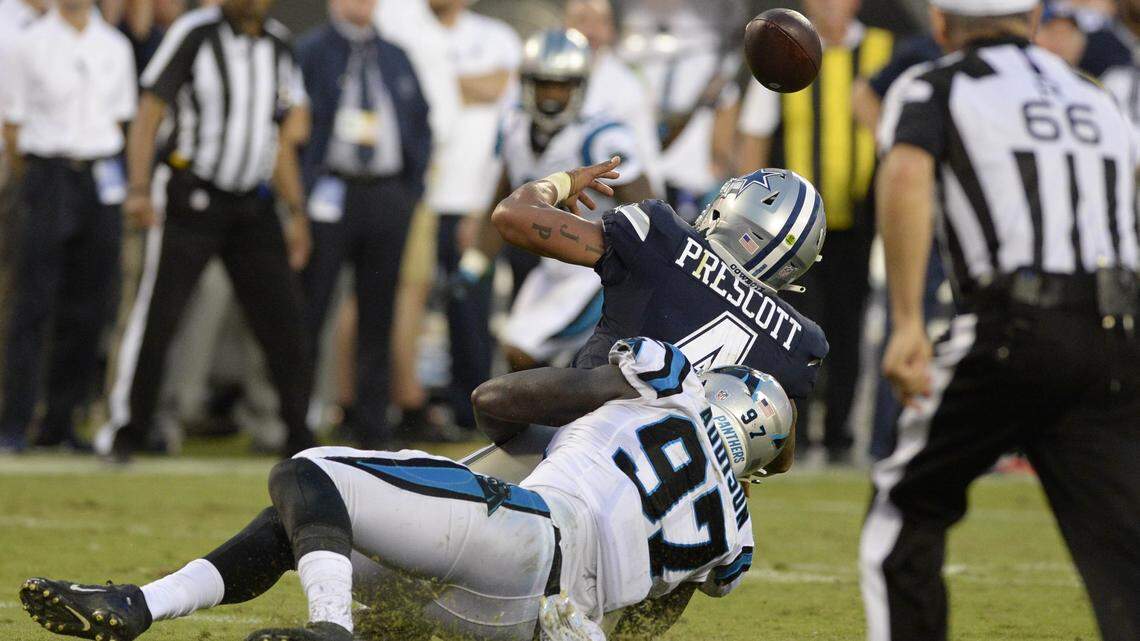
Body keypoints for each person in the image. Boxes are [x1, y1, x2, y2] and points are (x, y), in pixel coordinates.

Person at [18, 338, 786, 641]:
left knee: (309, 475)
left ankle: (329, 630)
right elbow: (645, 622)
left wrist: (589, 389)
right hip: (533, 625)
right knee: (308, 524)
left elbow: (498, 401)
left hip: (526, 536)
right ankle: (140, 603)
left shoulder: (670, 380)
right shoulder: (736, 540)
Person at [860, 2, 1140, 640]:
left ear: (941, 24)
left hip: (1015, 327)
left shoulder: (934, 84)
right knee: (1124, 542)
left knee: (906, 503)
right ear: (1033, 19)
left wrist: (907, 320)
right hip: (1116, 333)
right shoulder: (1092, 93)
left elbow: (906, 171)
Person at [96, 0, 316, 461]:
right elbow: (150, 110)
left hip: (252, 204)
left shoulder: (279, 45)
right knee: (158, 317)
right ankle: (127, 431)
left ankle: (301, 437)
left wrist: (295, 211)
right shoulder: (194, 33)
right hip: (190, 195)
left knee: (286, 322)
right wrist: (139, 187)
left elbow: (278, 140)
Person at [737, 0, 894, 464]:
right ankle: (794, 435)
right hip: (792, 227)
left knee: (849, 326)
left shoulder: (885, 52)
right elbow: (754, 135)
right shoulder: (784, 48)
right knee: (790, 328)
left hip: (860, 219)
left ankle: (841, 436)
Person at [464, 29, 654, 370]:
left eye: (561, 86)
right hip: (550, 268)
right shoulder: (514, 126)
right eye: (544, 84)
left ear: (579, 87)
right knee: (517, 361)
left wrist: (647, 275)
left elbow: (648, 208)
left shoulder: (601, 136)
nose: (551, 95)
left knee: (522, 350)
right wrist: (472, 266)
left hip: (593, 271)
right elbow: (502, 201)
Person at [0, 0, 137, 452]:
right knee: (31, 303)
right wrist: (39, 181)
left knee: (88, 306)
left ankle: (60, 424)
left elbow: (119, 120)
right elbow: (13, 127)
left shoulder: (115, 46)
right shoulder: (27, 45)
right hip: (48, 172)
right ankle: (15, 421)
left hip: (100, 177)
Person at [294, 0, 431, 449]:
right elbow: (293, 126)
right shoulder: (311, 51)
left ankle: (373, 427)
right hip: (330, 191)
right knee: (311, 307)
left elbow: (421, 122)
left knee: (378, 313)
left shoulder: (395, 55)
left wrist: (409, 190)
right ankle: (296, 420)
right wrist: (301, 192)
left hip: (386, 194)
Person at [428, 0, 522, 432]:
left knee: (471, 306)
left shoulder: (497, 37)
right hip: (419, 198)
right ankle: (418, 406)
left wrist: (481, 207)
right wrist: (467, 84)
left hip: (475, 201)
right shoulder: (405, 25)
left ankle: (475, 407)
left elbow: (505, 104)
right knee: (410, 308)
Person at [566, 0, 663, 195]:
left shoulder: (627, 84)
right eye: (582, 20)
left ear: (611, 29)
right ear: (565, 25)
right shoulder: (542, 77)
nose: (591, 30)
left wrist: (654, 203)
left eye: (601, 22)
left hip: (603, 199)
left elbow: (645, 149)